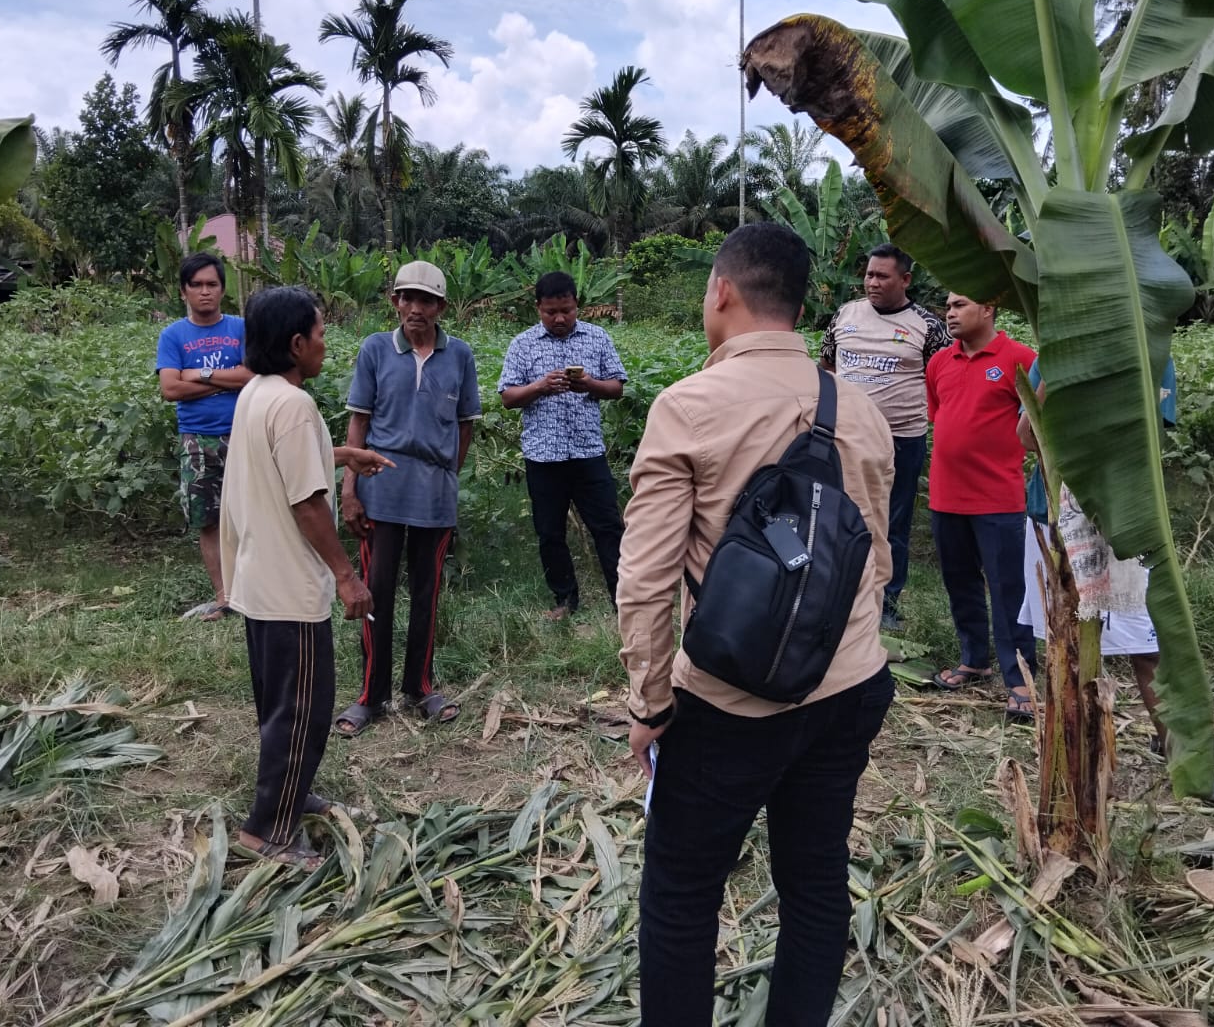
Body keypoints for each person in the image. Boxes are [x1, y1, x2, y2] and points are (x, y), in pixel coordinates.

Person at [617, 222, 896, 1027]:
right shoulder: (862, 409)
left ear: (722, 294)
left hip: (727, 707)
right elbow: (875, 560)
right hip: (848, 687)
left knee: (682, 892)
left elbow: (646, 579)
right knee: (815, 882)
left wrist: (648, 704)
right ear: (803, 305)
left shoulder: (690, 406)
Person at [219, 285, 393, 870]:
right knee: (303, 711)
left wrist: (346, 455)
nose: (326, 343)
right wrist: (347, 575)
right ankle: (267, 829)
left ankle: (291, 797)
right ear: (296, 344)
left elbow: (287, 459)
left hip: (259, 581)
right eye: (320, 333)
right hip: (291, 588)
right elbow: (309, 504)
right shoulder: (295, 406)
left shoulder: (259, 394)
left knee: (281, 706)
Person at [335, 260, 480, 735]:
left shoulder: (460, 356)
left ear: (440, 306)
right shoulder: (375, 349)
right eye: (406, 298)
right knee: (374, 593)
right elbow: (359, 421)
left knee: (427, 594)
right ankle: (370, 697)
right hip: (382, 491)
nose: (415, 309)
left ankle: (419, 688)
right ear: (395, 302)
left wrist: (445, 477)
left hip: (434, 496)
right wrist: (349, 489)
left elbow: (464, 427)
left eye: (425, 301)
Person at [1016, 358, 1178, 753]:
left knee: (1145, 645)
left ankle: (1174, 746)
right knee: (1062, 640)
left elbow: (1149, 437)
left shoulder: (1147, 349)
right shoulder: (1048, 356)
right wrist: (1059, 369)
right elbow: (1028, 437)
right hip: (1053, 516)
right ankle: (1072, 745)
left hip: (1117, 522)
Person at [821, 242, 950, 629]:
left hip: (901, 439)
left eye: (882, 276)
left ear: (905, 279)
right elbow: (826, 364)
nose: (872, 282)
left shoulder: (928, 326)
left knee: (893, 521)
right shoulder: (845, 315)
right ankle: (837, 594)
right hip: (843, 436)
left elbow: (944, 376)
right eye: (869, 274)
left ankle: (886, 601)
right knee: (836, 513)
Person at [925, 293, 1038, 720]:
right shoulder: (939, 362)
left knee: (1009, 588)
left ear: (988, 309)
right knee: (961, 582)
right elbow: (940, 417)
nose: (950, 313)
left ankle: (1020, 679)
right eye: (948, 306)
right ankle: (974, 658)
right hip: (945, 495)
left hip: (998, 497)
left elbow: (1038, 425)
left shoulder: (1020, 358)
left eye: (960, 305)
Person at [497, 271, 628, 621]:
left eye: (566, 311)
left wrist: (589, 384)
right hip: (543, 456)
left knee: (608, 528)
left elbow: (616, 387)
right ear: (537, 307)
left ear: (577, 306)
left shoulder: (597, 338)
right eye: (550, 311)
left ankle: (623, 600)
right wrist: (539, 386)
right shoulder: (522, 344)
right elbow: (508, 397)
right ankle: (565, 600)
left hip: (588, 453)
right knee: (550, 532)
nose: (559, 318)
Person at [156, 252, 251, 622]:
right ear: (183, 292)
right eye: (196, 285)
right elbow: (170, 389)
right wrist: (221, 381)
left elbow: (250, 376)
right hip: (196, 440)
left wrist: (199, 375)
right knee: (207, 520)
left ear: (223, 289)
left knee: (248, 516)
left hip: (242, 434)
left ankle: (252, 592)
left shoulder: (241, 328)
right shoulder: (173, 335)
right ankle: (224, 597)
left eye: (212, 284)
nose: (205, 292)